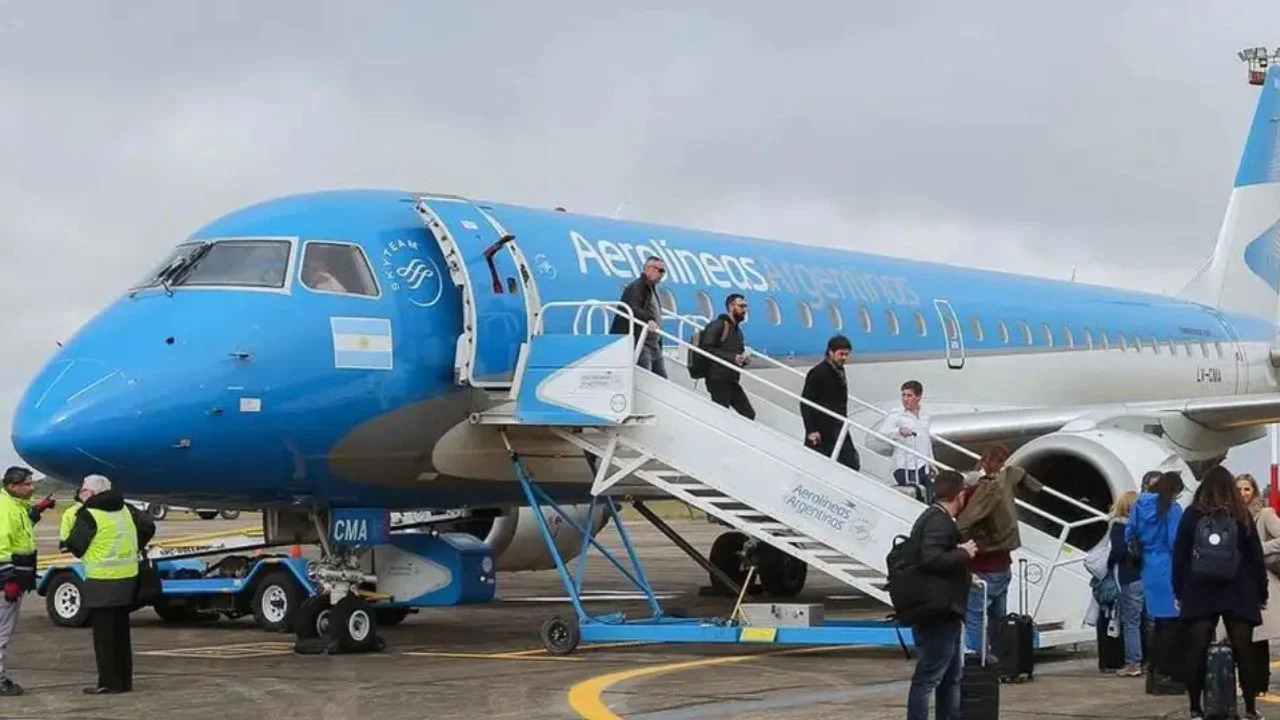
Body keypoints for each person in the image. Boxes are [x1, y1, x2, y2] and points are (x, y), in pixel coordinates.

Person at [1173, 465, 1267, 720]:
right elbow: (1256, 557)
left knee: (1196, 650)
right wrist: (1261, 592)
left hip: (1199, 590)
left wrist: (1179, 591)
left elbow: (1179, 555)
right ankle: (1249, 708)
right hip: (1239, 590)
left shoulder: (1192, 514)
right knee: (1244, 650)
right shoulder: (1241, 514)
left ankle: (1195, 708)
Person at [65, 474, 156, 694]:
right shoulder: (126, 508)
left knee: (104, 636)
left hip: (102, 580)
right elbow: (148, 527)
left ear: (93, 493)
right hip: (127, 578)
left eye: (84, 491)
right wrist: (133, 547)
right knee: (121, 633)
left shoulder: (89, 514)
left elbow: (75, 546)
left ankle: (109, 683)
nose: (82, 494)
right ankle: (125, 681)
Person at [955, 444, 1043, 661]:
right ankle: (1004, 659)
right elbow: (1018, 473)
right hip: (1004, 565)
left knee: (974, 616)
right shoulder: (1006, 481)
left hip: (983, 567)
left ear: (983, 461)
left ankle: (982, 660)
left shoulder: (982, 490)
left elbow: (966, 521)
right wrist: (1035, 486)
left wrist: (955, 536)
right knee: (998, 617)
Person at [905, 470, 978, 720]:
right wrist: (964, 553)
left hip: (944, 608)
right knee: (929, 677)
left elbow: (935, 557)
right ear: (960, 495)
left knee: (950, 676)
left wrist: (966, 575)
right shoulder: (938, 521)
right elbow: (931, 558)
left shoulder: (934, 518)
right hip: (939, 610)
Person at [1125, 470, 1184, 683]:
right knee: (1172, 619)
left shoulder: (1139, 504)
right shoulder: (1173, 509)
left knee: (1155, 620)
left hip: (1147, 565)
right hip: (1167, 563)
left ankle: (1154, 668)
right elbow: (1174, 540)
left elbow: (1129, 533)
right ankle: (1168, 669)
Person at [0, 467, 54, 696]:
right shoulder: (5, 509)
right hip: (6, 582)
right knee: (2, 631)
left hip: (14, 579)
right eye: (27, 484)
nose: (32, 488)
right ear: (13, 487)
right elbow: (2, 546)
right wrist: (8, 578)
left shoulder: (15, 506)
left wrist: (37, 510)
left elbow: (22, 529)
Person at [800, 334, 860, 471]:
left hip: (837, 424)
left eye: (846, 354)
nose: (844, 358)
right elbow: (805, 402)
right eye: (841, 354)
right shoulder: (818, 373)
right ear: (831, 352)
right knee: (824, 464)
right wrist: (811, 430)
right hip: (823, 427)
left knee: (851, 462)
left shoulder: (838, 369)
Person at [1105, 490, 1145, 677]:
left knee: (1131, 622)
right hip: (1149, 575)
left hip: (1129, 576)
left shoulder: (1119, 526)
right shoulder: (1146, 525)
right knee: (1151, 621)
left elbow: (1118, 552)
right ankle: (1151, 661)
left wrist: (1108, 562)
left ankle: (1133, 663)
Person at [699, 293, 755, 420]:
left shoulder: (737, 332)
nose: (745, 310)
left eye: (745, 307)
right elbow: (706, 349)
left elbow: (737, 354)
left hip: (731, 379)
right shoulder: (718, 325)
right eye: (742, 306)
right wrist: (733, 357)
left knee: (749, 414)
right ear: (731, 307)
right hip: (717, 379)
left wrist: (744, 360)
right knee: (721, 416)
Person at [610, 256, 668, 378]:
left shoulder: (650, 288)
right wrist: (649, 320)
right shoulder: (636, 287)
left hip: (653, 344)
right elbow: (632, 308)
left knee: (662, 379)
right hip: (641, 343)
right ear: (650, 269)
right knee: (645, 378)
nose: (662, 274)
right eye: (661, 270)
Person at [881, 380, 935, 501]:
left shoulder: (925, 414)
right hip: (904, 466)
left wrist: (931, 462)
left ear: (918, 397)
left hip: (922, 465)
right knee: (916, 495)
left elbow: (926, 439)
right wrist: (898, 431)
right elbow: (883, 432)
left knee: (932, 495)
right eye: (903, 395)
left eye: (909, 396)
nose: (905, 399)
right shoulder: (897, 414)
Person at [1246, 473, 1280, 642]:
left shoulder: (1265, 514)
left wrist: (1259, 549)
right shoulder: (1230, 515)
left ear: (1254, 491)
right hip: (1239, 582)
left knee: (1260, 636)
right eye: (1238, 489)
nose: (1243, 493)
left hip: (1262, 579)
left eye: (1247, 489)